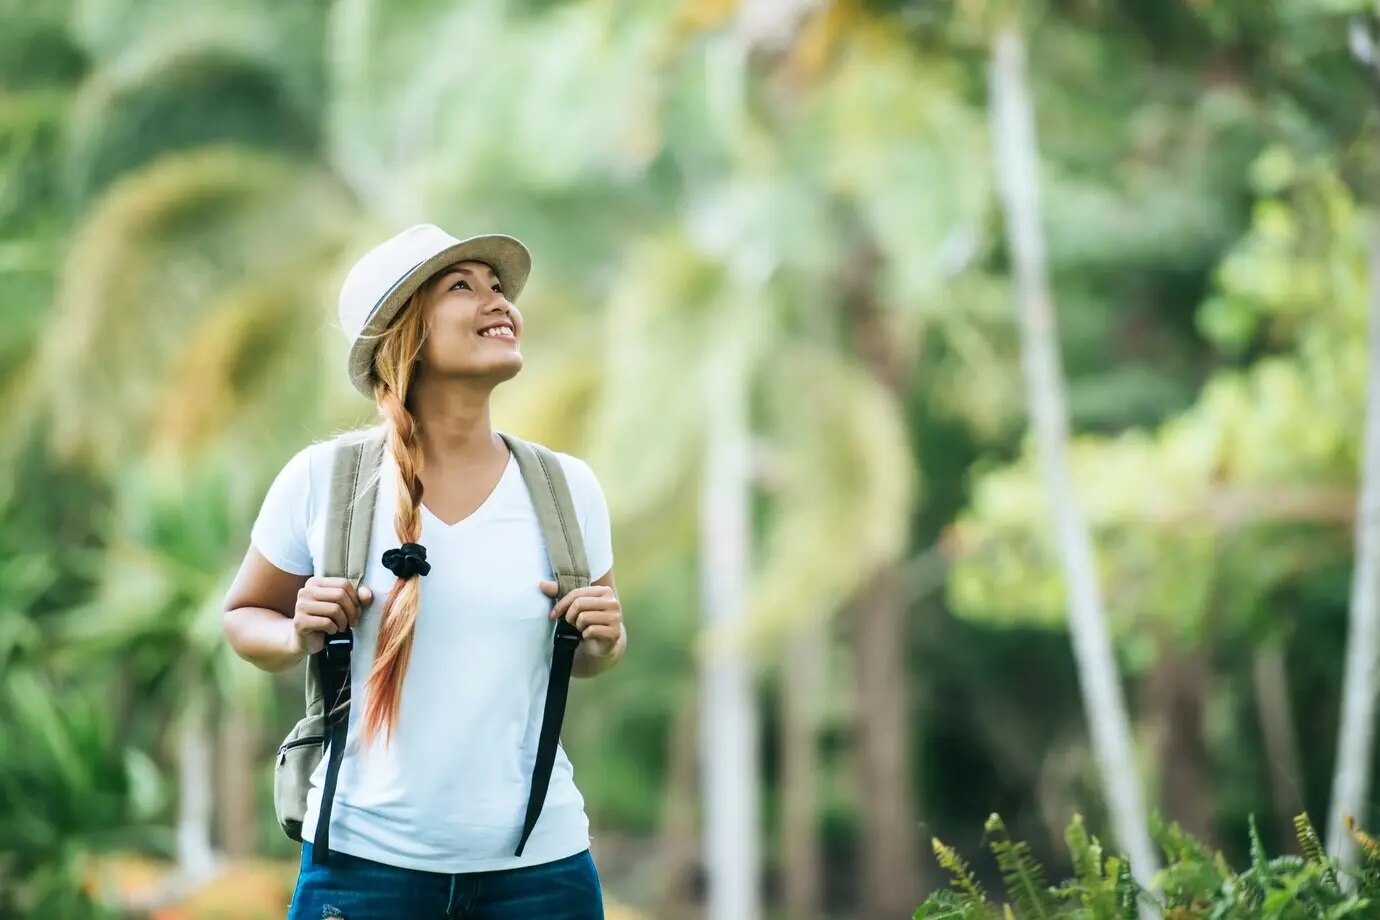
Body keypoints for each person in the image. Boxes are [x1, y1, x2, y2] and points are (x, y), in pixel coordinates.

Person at [221, 224, 625, 919]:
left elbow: (590, 657)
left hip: (541, 875)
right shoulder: (325, 481)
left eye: (498, 286)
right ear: (405, 333)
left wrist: (602, 640)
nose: (497, 300)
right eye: (462, 286)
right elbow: (242, 617)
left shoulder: (568, 490)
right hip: (360, 871)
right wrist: (296, 633)